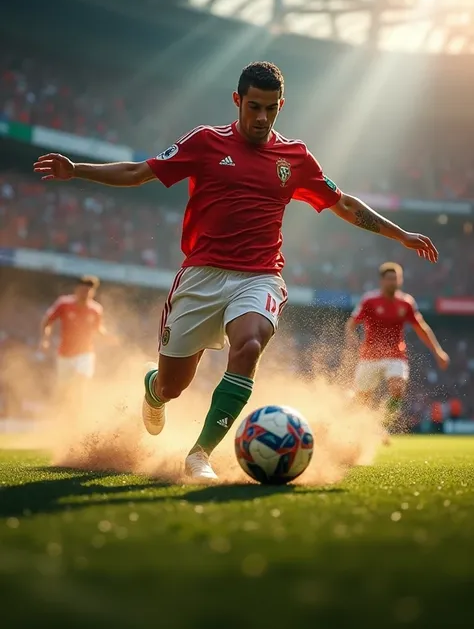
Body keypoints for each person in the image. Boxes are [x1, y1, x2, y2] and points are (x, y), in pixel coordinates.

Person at [34, 61, 439, 481]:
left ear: (281, 106)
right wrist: (77, 170)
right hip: (200, 278)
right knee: (174, 385)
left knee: (248, 346)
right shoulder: (206, 142)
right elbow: (139, 173)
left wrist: (401, 234)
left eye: (270, 109)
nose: (261, 118)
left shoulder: (294, 158)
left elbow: (345, 204)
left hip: (259, 276)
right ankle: (154, 390)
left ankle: (199, 453)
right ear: (237, 101)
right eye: (253, 107)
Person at [344, 262, 449, 430]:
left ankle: (381, 425)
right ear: (382, 281)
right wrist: (351, 337)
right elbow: (351, 324)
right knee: (360, 401)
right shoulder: (369, 300)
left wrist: (438, 351)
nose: (393, 282)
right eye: (389, 279)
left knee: (397, 388)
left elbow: (422, 329)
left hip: (396, 355)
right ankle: (357, 425)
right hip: (370, 356)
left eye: (396, 279)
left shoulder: (406, 302)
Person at [40, 275, 105, 396]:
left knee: (82, 380)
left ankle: (80, 409)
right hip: (65, 354)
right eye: (82, 290)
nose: (84, 293)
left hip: (85, 353)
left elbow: (98, 328)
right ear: (77, 289)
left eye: (88, 291)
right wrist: (45, 339)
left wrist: (107, 336)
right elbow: (47, 321)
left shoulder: (96, 309)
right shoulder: (63, 304)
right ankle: (65, 411)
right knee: (64, 389)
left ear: (92, 292)